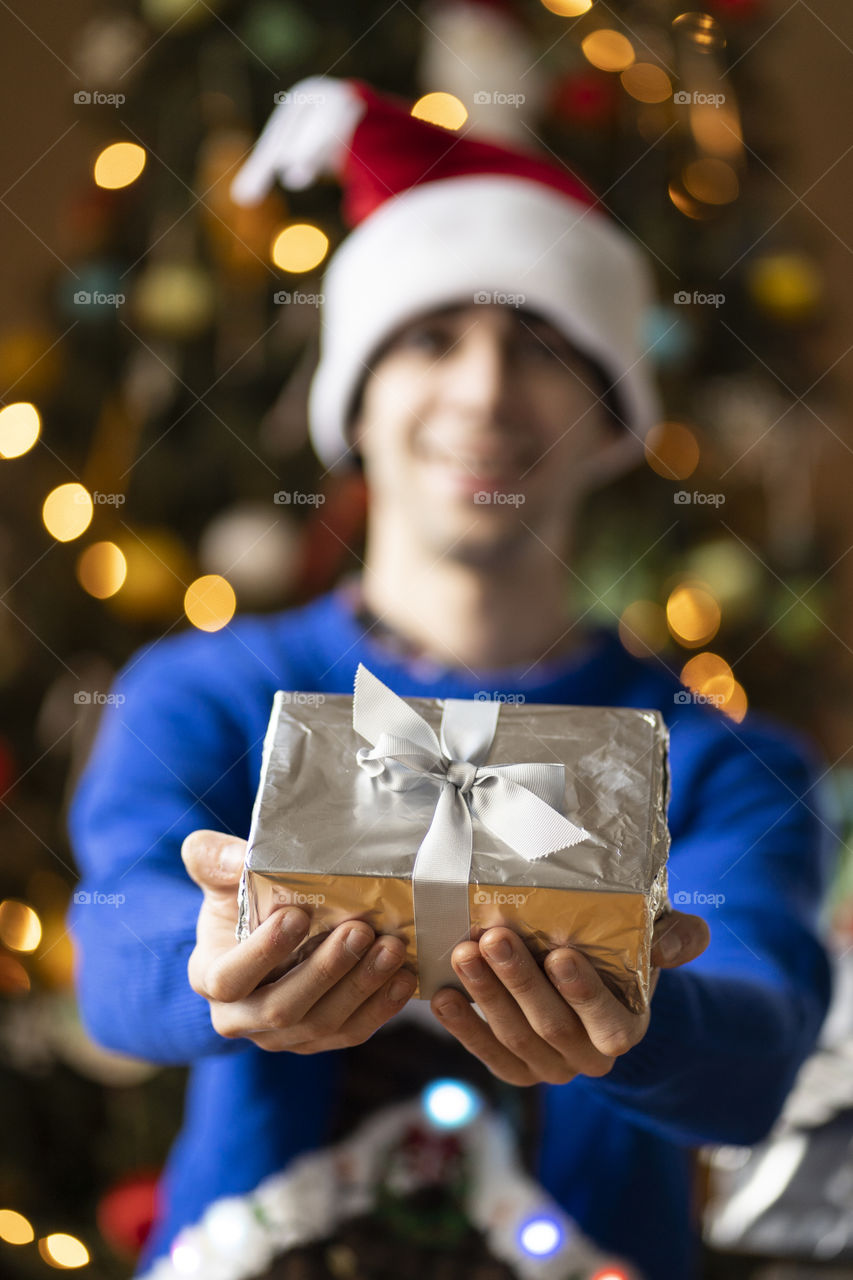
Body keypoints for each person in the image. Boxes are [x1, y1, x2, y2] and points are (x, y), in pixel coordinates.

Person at [67, 77, 835, 1280]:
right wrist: (204, 957)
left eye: (540, 349)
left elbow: (758, 1034)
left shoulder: (724, 760)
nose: (483, 392)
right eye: (431, 339)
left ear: (610, 420)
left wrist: (645, 1019)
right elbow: (117, 934)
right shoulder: (203, 693)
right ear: (353, 403)